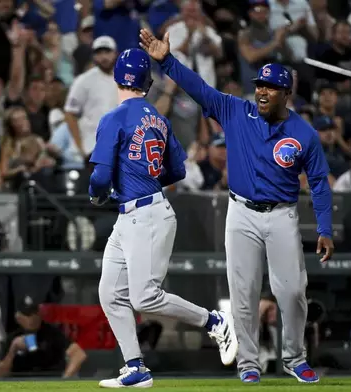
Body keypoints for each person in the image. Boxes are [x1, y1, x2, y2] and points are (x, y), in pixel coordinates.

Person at [140, 28, 333, 384]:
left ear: (286, 94)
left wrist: (324, 228)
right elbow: (199, 89)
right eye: (260, 84)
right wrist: (166, 61)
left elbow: (319, 182)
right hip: (240, 212)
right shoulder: (234, 111)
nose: (262, 90)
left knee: (291, 290)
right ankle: (248, 362)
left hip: (282, 214)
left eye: (270, 87)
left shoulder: (303, 133)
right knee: (242, 292)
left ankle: (294, 357)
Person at [88, 48, 238, 388]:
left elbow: (99, 177)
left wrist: (99, 194)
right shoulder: (158, 117)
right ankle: (135, 367)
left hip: (146, 214)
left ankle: (214, 322)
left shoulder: (114, 118)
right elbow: (178, 170)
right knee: (110, 292)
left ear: (116, 78)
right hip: (138, 213)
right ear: (147, 82)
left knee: (144, 297)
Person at [0, 296, 87, 378]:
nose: (33, 318)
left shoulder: (52, 333)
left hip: (48, 382)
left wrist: (64, 380)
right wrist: (12, 350)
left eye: (35, 313)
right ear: (18, 318)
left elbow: (79, 355)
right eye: (28, 315)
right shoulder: (13, 337)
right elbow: (0, 375)